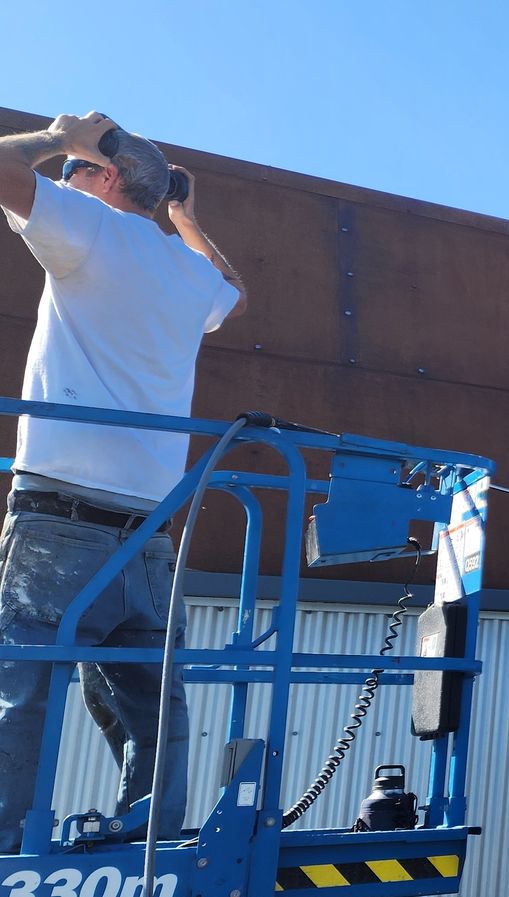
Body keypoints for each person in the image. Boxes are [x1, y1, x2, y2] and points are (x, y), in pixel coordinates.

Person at [0, 111, 245, 853]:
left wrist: (59, 135)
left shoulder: (86, 225)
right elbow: (232, 288)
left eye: (77, 172)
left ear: (106, 179)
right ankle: (149, 833)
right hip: (148, 532)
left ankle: (7, 840)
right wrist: (184, 216)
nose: (63, 182)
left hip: (59, 522)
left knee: (23, 688)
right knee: (150, 700)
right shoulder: (185, 270)